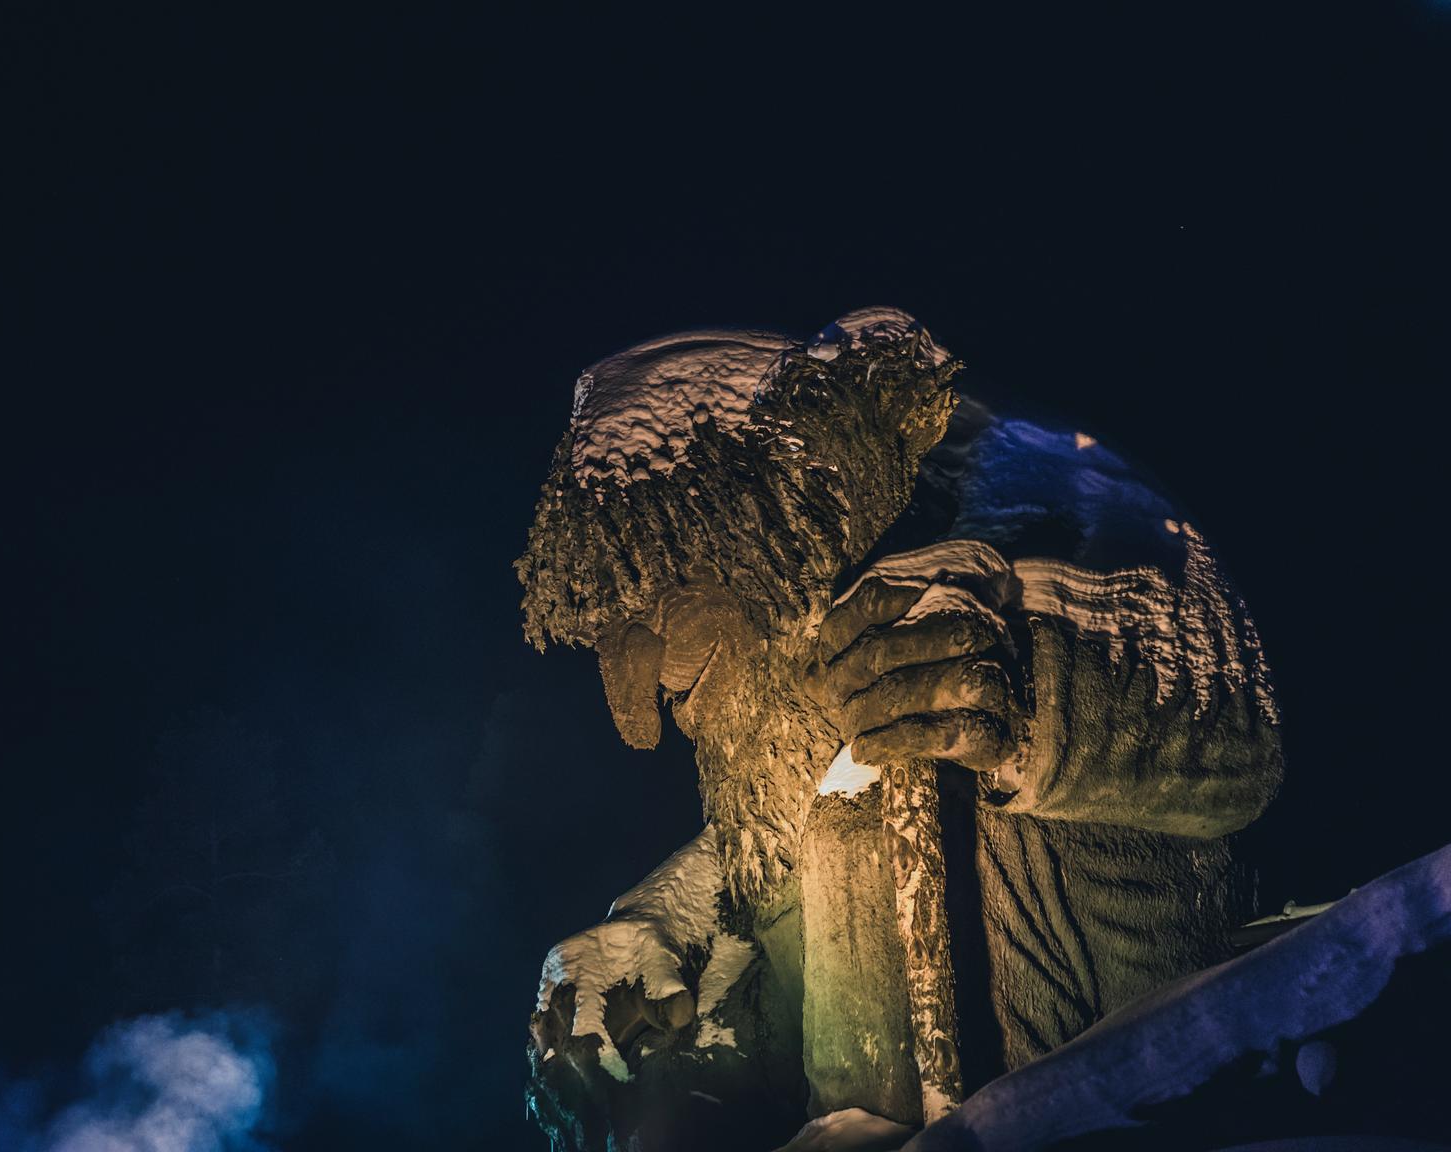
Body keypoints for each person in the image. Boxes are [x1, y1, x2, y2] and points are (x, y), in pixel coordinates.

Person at [519, 309, 1282, 1151]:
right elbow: (776, 861)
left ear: (767, 521)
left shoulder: (1028, 488)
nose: (648, 684)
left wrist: (1024, 695)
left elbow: (1228, 731)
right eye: (616, 615)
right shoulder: (781, 727)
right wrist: (662, 929)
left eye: (664, 585)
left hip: (1138, 1102)